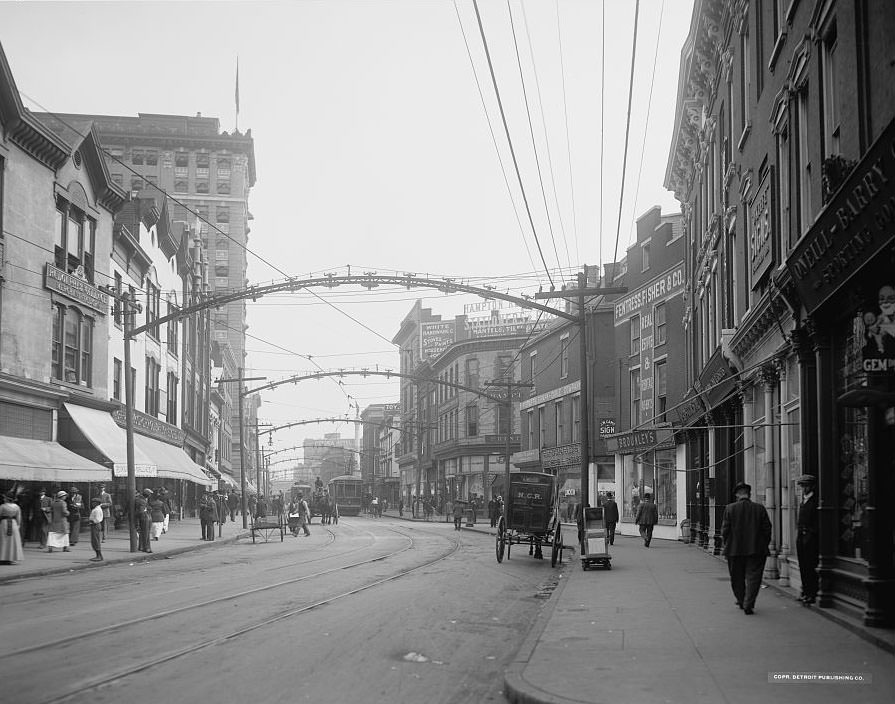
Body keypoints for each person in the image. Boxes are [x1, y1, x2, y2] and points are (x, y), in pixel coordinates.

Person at [721, 482, 772, 615]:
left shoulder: (730, 508)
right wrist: (762, 544)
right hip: (756, 549)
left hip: (734, 550)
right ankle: (748, 603)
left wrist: (727, 544)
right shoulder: (759, 508)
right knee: (754, 577)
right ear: (749, 494)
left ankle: (741, 599)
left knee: (736, 577)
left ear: (738, 495)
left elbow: (725, 531)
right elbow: (767, 529)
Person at [795, 474, 819, 606]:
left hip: (810, 539)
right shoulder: (803, 501)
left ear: (812, 486)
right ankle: (805, 590)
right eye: (803, 486)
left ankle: (811, 593)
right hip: (801, 538)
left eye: (806, 486)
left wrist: (810, 533)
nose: (804, 489)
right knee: (803, 565)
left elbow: (816, 523)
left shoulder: (815, 501)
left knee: (810, 566)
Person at [0, 492, 25, 564]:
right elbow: (19, 517)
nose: (4, 499)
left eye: (4, 498)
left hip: (4, 523)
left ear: (7, 499)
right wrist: (18, 525)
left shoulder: (3, 506)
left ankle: (3, 558)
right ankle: (11, 557)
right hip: (13, 523)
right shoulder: (17, 507)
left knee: (3, 540)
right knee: (12, 541)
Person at [88, 497, 104, 562]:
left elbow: (97, 519)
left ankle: (99, 555)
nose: (92, 504)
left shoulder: (97, 510)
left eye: (94, 502)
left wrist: (91, 521)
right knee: (95, 540)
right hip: (94, 525)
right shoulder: (96, 509)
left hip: (95, 525)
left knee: (96, 540)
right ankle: (98, 555)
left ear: (97, 503)